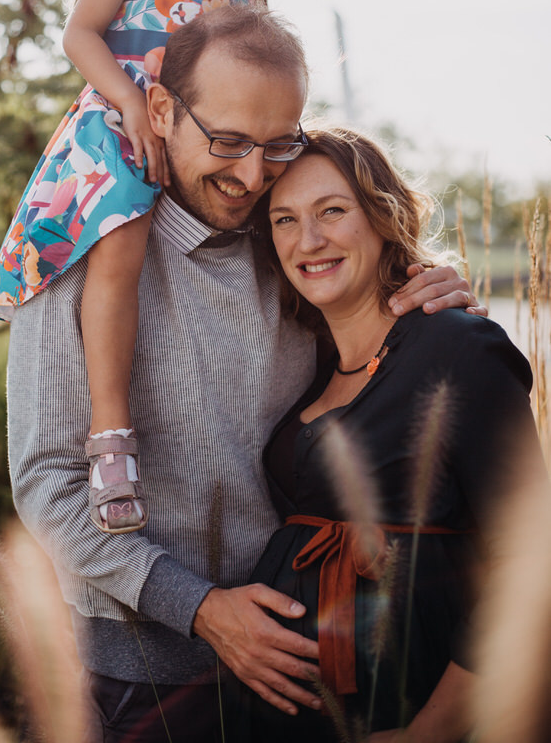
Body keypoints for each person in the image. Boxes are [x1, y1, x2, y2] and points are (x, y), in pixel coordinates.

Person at [5, 3, 484, 743]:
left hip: (307, 670)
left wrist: (424, 288)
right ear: (160, 110)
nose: (252, 175)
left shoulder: (293, 245)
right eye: (226, 142)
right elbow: (46, 481)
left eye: (277, 145)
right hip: (140, 677)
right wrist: (197, 608)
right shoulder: (78, 251)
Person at [0, 0, 271, 534]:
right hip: (122, 117)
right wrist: (132, 102)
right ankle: (111, 431)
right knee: (123, 235)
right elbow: (80, 31)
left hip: (199, 136)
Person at [227, 127, 547, 742]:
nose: (309, 240)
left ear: (382, 216)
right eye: (285, 220)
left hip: (411, 709)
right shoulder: (312, 364)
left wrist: (427, 733)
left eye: (332, 211)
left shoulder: (457, 348)